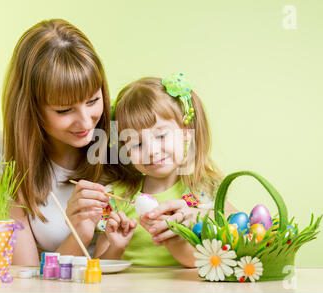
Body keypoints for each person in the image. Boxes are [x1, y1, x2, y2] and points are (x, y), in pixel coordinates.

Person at [0, 19, 134, 266]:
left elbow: (196, 183)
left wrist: (193, 213)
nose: (85, 122)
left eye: (93, 101)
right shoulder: (1, 154)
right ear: (31, 110)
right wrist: (79, 234)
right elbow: (26, 278)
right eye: (64, 110)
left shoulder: (125, 137)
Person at [94, 74, 237, 267]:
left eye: (161, 135)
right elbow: (99, 267)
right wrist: (116, 247)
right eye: (136, 144)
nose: (151, 152)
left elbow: (240, 227)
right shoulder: (116, 197)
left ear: (186, 133)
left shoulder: (204, 190)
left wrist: (197, 216)